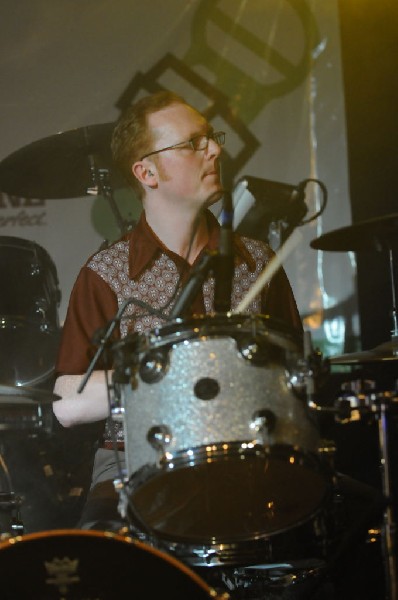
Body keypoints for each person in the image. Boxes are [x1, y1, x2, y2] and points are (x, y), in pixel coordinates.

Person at [52, 90, 303, 533]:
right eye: (192, 143)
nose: (215, 150)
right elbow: (66, 404)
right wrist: (168, 376)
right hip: (133, 463)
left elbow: (296, 377)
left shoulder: (259, 262)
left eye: (211, 138)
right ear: (146, 171)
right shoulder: (106, 274)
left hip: (249, 455)